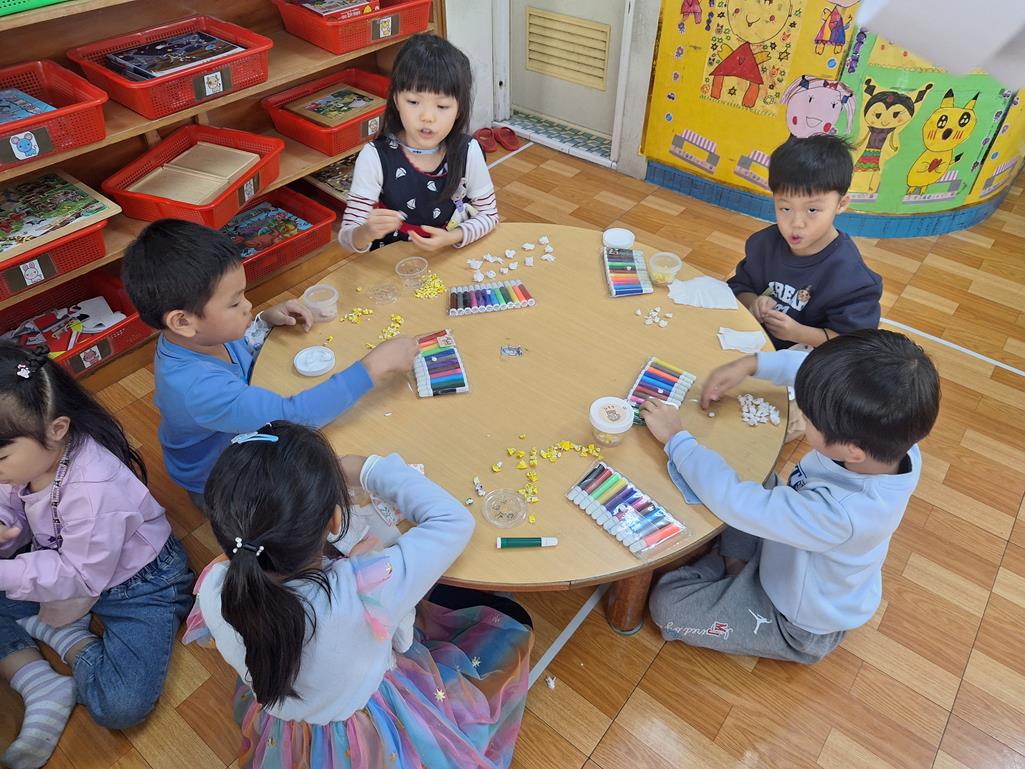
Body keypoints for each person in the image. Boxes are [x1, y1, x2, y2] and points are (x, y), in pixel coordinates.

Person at [185, 421, 533, 769]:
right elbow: (454, 521)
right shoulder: (366, 588)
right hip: (371, 729)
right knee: (513, 619)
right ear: (336, 521)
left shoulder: (215, 586)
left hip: (290, 731)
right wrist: (368, 469)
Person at [640, 330, 940, 663]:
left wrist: (676, 439)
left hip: (796, 619)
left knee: (667, 606)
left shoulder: (842, 515)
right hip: (790, 551)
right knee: (751, 472)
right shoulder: (891, 439)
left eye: (809, 418)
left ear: (851, 450)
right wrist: (751, 365)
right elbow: (818, 375)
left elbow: (736, 501)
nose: (804, 415)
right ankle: (736, 565)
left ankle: (734, 571)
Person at [121, 219, 418, 508]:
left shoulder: (199, 336)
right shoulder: (196, 387)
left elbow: (240, 349)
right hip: (223, 480)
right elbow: (294, 417)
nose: (248, 305)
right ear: (183, 321)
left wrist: (263, 322)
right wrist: (374, 366)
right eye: (235, 303)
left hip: (238, 436)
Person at [0, 344, 192, 769]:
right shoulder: (28, 458)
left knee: (119, 705)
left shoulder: (92, 488)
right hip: (64, 569)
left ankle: (70, 640)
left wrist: (6, 571)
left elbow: (79, 575)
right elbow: (9, 499)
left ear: (56, 429)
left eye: (0, 457)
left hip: (141, 586)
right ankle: (38, 682)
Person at [339, 33, 499, 253]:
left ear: (459, 109)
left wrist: (452, 237)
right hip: (392, 261)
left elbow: (489, 215)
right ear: (396, 99)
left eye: (442, 106)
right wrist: (365, 231)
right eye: (413, 102)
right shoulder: (375, 156)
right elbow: (348, 238)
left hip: (447, 254)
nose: (427, 117)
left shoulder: (467, 151)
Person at [728, 134, 882, 351]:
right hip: (752, 345)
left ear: (841, 204)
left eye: (812, 210)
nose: (796, 223)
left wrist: (799, 333)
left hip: (809, 363)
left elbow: (853, 344)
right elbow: (739, 286)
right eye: (785, 208)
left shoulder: (852, 277)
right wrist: (754, 302)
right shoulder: (763, 244)